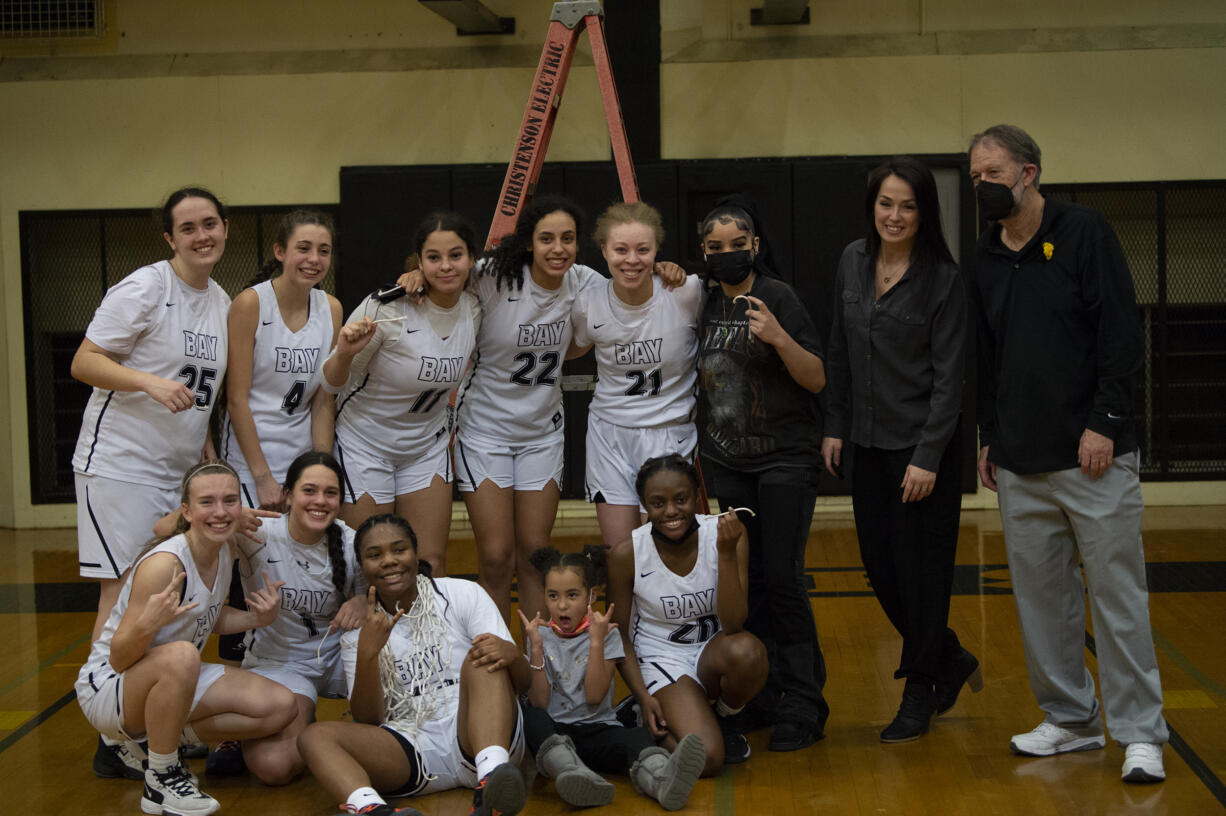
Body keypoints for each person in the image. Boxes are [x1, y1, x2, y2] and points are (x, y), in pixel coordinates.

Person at [969, 124, 1167, 783]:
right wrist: (989, 437)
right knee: (1043, 602)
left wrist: (1106, 421)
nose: (982, 185)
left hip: (1094, 456)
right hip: (1021, 461)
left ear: (1029, 173)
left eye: (992, 172)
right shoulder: (985, 255)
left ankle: (1141, 732)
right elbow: (988, 354)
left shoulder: (1084, 231)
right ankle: (1072, 720)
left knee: (1117, 599)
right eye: (975, 177)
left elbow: (1118, 330)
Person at [822, 157, 980, 743]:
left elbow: (950, 380)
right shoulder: (852, 261)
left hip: (921, 449)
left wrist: (928, 457)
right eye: (886, 203)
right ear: (872, 207)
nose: (895, 215)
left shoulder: (943, 277)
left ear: (924, 213)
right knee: (881, 570)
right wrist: (835, 423)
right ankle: (951, 656)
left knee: (923, 576)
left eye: (907, 206)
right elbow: (840, 348)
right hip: (865, 440)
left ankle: (920, 689)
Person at [75, 460, 297, 816]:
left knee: (281, 707)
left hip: (172, 676)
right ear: (187, 511)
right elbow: (117, 657)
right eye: (207, 502)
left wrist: (257, 618)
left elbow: (209, 616)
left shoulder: (224, 550)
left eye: (229, 501)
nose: (220, 511)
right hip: (109, 686)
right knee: (181, 655)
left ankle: (148, 744)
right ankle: (161, 777)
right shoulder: (165, 564)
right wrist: (149, 624)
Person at [694, 196, 829, 751]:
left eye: (737, 244)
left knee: (783, 578)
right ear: (705, 251)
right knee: (747, 586)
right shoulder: (699, 301)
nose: (728, 254)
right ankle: (767, 695)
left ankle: (804, 702)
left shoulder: (777, 297)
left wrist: (777, 335)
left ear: (755, 245)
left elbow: (817, 378)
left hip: (784, 460)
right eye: (715, 247)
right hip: (727, 464)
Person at [72, 187, 233, 645]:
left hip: (177, 471)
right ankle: (105, 699)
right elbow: (84, 361)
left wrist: (203, 438)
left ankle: (149, 709)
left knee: (166, 588)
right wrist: (149, 381)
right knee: (124, 590)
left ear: (225, 229)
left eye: (209, 224)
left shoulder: (221, 302)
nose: (201, 235)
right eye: (187, 228)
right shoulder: (146, 287)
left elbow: (203, 386)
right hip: (121, 465)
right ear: (170, 238)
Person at [297, 514, 530, 816]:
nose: (389, 561)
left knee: (481, 658)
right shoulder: (358, 631)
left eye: (399, 549)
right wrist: (368, 654)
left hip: (477, 735)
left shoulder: (462, 594)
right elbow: (369, 720)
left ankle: (492, 781)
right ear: (363, 567)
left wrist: (512, 655)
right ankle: (372, 809)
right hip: (410, 748)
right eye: (374, 554)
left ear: (415, 552)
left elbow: (522, 685)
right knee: (313, 737)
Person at [323, 212, 482, 575]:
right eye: (434, 257)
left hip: (425, 446)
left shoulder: (474, 307)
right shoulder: (386, 307)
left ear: (471, 259)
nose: (446, 266)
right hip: (366, 444)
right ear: (419, 261)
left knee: (429, 563)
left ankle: (427, 634)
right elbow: (332, 383)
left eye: (456, 256)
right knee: (370, 564)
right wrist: (345, 351)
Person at [204, 452, 365, 784]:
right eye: (309, 490)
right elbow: (166, 529)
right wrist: (230, 516)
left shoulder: (352, 542)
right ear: (288, 495)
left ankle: (332, 735)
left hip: (341, 660)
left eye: (330, 493)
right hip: (282, 665)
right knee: (274, 766)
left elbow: (400, 590)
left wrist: (364, 600)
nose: (320, 501)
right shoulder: (260, 532)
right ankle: (296, 722)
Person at [606, 455, 768, 775]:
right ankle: (642, 720)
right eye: (657, 503)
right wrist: (642, 695)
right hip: (662, 659)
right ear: (643, 504)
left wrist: (724, 553)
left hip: (712, 653)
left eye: (681, 500)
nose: (670, 512)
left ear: (697, 496)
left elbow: (734, 623)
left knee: (749, 652)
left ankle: (723, 719)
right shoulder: (627, 554)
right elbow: (618, 634)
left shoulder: (727, 535)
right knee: (707, 760)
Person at [519, 546, 706, 811]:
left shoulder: (606, 635)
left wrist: (596, 642)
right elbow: (539, 701)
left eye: (572, 595)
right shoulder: (539, 636)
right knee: (532, 718)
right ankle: (573, 773)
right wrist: (536, 649)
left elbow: (594, 697)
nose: (562, 605)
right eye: (553, 596)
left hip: (598, 732)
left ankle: (662, 780)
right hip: (556, 734)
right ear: (544, 597)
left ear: (591, 595)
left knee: (635, 738)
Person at [571, 202, 704, 550]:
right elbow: (571, 348)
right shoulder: (589, 302)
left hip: (668, 433)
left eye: (643, 250)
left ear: (657, 251)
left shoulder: (686, 293)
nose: (632, 260)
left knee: (665, 549)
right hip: (609, 435)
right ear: (603, 250)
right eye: (621, 249)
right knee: (622, 553)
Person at [223, 209, 343, 510]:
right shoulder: (251, 303)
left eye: (323, 251)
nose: (314, 259)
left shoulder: (331, 309)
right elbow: (236, 398)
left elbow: (322, 400)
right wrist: (262, 478)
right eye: (303, 248)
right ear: (280, 251)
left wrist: (321, 469)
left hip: (301, 460)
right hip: (250, 462)